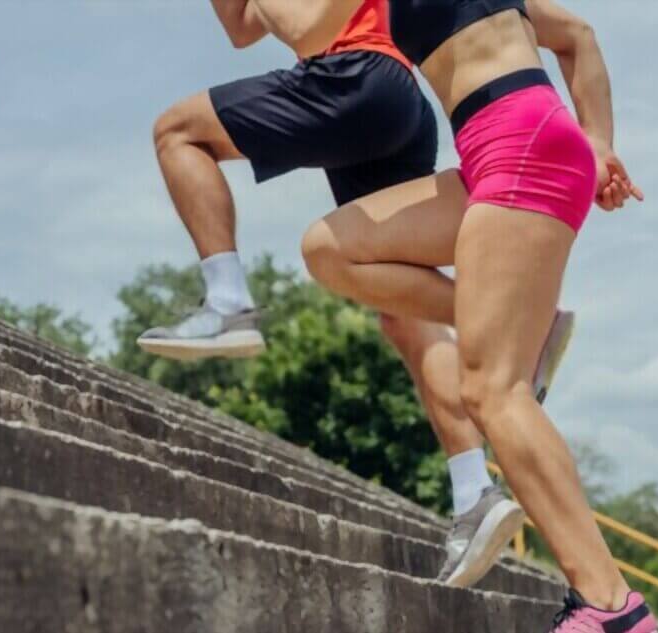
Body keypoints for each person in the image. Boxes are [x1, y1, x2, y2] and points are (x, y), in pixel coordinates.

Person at [136, 0, 575, 588]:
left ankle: (226, 302)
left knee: (178, 131)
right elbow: (242, 30)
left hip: (354, 76)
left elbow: (302, 28)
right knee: (402, 315)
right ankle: (475, 489)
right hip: (397, 104)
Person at [301, 1, 656, 631]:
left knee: (493, 390)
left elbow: (577, 38)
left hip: (521, 144)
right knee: (329, 249)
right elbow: (576, 36)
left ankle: (611, 608)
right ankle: (531, 323)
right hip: (496, 152)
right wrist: (595, 145)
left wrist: (598, 145)